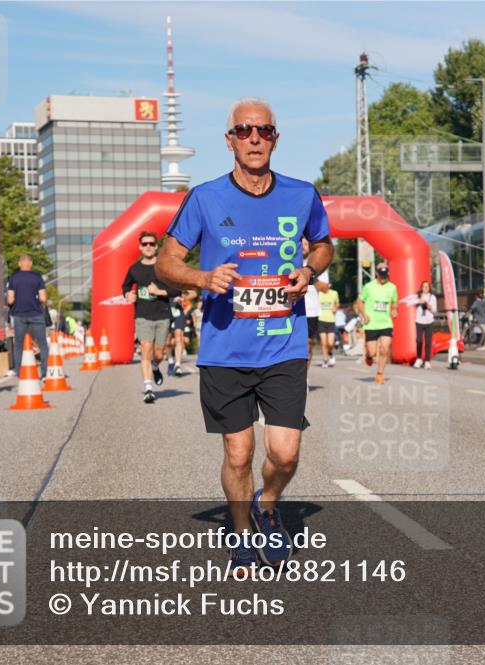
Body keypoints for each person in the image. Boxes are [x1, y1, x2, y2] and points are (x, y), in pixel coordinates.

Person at [157, 96, 333, 576]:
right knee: (239, 453)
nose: (254, 138)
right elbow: (166, 263)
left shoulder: (302, 194)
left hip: (283, 342)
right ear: (229, 139)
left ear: (276, 138)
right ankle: (240, 538)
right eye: (244, 131)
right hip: (225, 347)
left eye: (263, 131)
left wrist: (309, 270)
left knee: (285, 452)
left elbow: (323, 245)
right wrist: (202, 277)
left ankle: (267, 503)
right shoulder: (205, 198)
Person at [122, 230, 173, 403]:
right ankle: (148, 389)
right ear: (140, 247)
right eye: (145, 244)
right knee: (145, 348)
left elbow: (176, 289)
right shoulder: (134, 269)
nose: (148, 246)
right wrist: (128, 294)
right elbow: (125, 286)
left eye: (152, 243)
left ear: (156, 246)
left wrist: (159, 292)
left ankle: (155, 366)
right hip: (143, 315)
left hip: (162, 314)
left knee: (158, 353)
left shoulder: (164, 266)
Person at [7, 254, 49, 379]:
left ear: (19, 264)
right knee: (42, 344)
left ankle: (19, 373)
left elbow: (10, 300)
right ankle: (45, 373)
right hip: (36, 314)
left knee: (18, 345)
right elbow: (43, 298)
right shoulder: (37, 277)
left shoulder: (13, 278)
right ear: (31, 264)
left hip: (19, 315)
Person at [356, 263, 399, 384]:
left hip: (386, 324)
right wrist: (364, 314)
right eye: (381, 275)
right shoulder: (368, 287)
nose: (383, 278)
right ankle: (368, 355)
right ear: (376, 274)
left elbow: (395, 302)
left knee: (385, 349)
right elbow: (359, 301)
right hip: (371, 324)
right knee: (373, 352)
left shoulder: (392, 287)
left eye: (385, 275)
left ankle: (379, 373)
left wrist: (394, 309)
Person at [301, 238, 331, 369]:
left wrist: (309, 274)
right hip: (291, 309)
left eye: (306, 244)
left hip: (311, 311)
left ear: (310, 247)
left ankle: (305, 375)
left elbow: (325, 288)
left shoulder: (317, 264)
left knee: (308, 344)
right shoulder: (289, 262)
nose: (303, 246)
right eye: (301, 243)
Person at [413, 281, 438, 369]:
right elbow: (412, 303)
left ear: (429, 288)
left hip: (429, 321)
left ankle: (427, 361)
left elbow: (435, 310)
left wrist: (429, 306)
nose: (425, 288)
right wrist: (418, 301)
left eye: (427, 286)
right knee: (419, 340)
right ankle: (419, 359)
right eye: (424, 286)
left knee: (428, 342)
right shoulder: (418, 296)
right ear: (421, 287)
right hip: (419, 321)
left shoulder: (432, 297)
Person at [318, 281, 339, 367]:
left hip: (331, 320)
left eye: (326, 285)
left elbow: (337, 303)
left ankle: (330, 352)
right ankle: (325, 360)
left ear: (329, 285)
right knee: (324, 343)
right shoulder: (318, 293)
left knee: (330, 343)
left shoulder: (334, 293)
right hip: (321, 320)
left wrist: (335, 307)